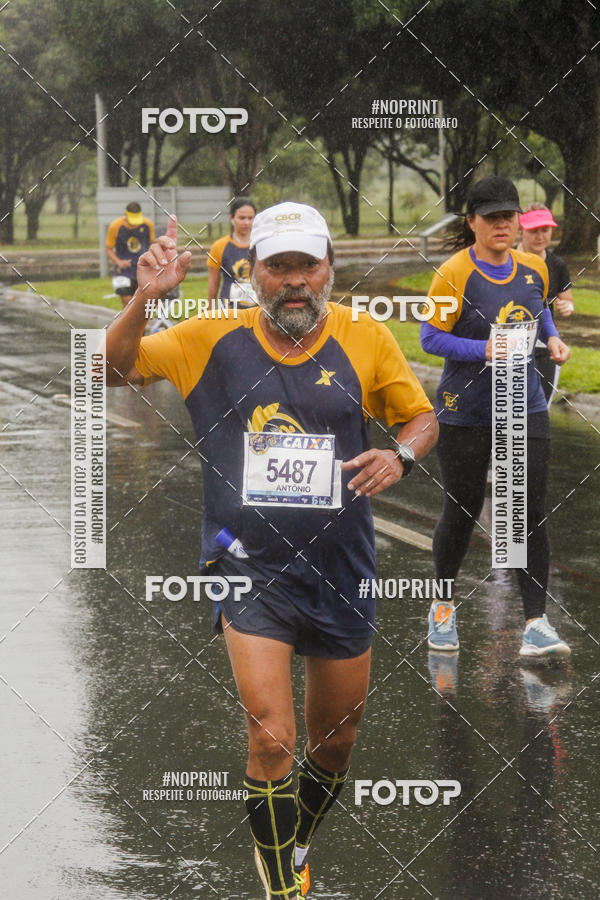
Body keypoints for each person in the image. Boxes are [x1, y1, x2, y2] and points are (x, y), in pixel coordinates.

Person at [106, 202, 438, 899]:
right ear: (252, 272)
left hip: (342, 566)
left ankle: (294, 837)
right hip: (247, 562)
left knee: (335, 743)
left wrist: (401, 456)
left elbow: (420, 416)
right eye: (277, 266)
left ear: (329, 269)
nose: (293, 281)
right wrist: (143, 297)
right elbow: (112, 369)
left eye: (305, 266)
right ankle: (284, 885)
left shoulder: (364, 337)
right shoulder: (208, 338)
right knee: (271, 737)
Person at [420, 176, 571, 659]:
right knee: (462, 512)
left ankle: (536, 622)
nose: (502, 224)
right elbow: (429, 337)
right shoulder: (452, 273)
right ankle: (442, 606)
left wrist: (552, 339)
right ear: (473, 222)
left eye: (508, 216)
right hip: (465, 411)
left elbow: (539, 310)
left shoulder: (533, 268)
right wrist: (480, 347)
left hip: (523, 405)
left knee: (525, 514)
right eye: (491, 217)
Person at [517, 203, 575, 404]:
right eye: (533, 231)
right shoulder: (504, 260)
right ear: (520, 230)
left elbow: (566, 300)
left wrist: (567, 307)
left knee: (541, 409)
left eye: (545, 230)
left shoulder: (557, 265)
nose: (540, 236)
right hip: (510, 345)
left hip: (545, 344)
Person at [207, 197, 257, 307]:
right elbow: (213, 285)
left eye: (250, 218)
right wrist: (210, 313)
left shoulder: (261, 245)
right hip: (229, 309)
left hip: (257, 311)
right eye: (242, 218)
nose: (246, 222)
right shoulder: (219, 246)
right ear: (232, 218)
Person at [106, 201, 155, 307]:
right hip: (122, 271)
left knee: (141, 304)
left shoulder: (147, 225)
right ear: (125, 215)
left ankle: (139, 323)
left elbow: (151, 244)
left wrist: (150, 260)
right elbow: (109, 249)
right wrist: (118, 262)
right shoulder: (115, 226)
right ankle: (128, 322)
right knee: (127, 302)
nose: (135, 223)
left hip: (142, 270)